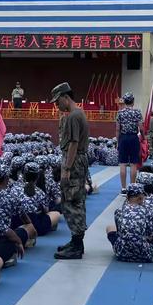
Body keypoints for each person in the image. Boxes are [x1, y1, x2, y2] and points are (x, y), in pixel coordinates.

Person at [50, 82, 89, 260]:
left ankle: (77, 245)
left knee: (72, 202)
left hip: (73, 162)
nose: (57, 105)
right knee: (74, 200)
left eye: (58, 101)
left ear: (66, 97)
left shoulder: (73, 116)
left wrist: (66, 168)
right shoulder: (77, 113)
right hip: (77, 161)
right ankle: (75, 241)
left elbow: (73, 144)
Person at [106, 183, 153, 263]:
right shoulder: (148, 212)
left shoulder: (118, 211)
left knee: (109, 228)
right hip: (145, 254)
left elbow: (119, 232)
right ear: (140, 198)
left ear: (127, 197)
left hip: (121, 253)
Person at [115, 92, 144, 195]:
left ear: (124, 101)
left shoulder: (120, 113)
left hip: (123, 138)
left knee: (122, 163)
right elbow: (141, 127)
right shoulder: (137, 112)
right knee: (133, 164)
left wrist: (118, 141)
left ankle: (123, 188)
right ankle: (132, 187)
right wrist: (143, 137)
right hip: (133, 138)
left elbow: (118, 129)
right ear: (133, 101)